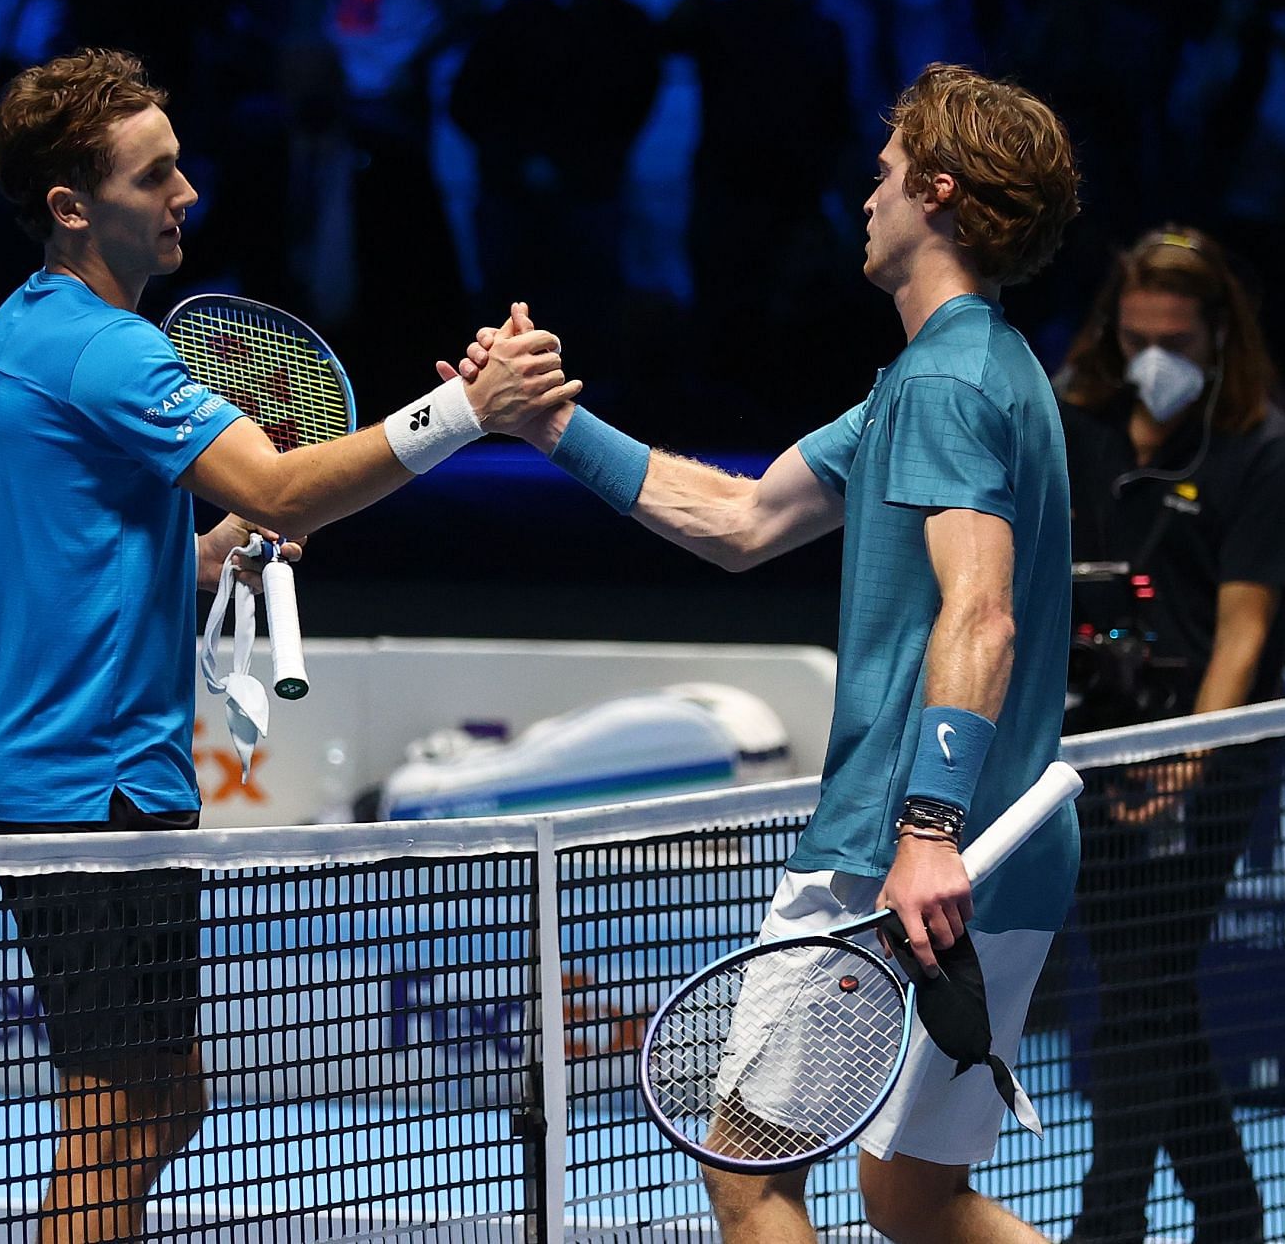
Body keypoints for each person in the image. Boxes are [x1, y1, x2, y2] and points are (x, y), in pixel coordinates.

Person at [0, 47, 575, 1243]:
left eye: (180, 165)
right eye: (157, 175)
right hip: (86, 796)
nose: (187, 194)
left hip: (84, 779)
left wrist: (210, 550)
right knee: (105, 1122)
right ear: (72, 207)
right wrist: (469, 412)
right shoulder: (114, 351)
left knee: (168, 1096)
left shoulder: (9, 337)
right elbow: (288, 487)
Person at [453, 62, 1080, 1244]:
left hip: (902, 860)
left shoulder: (947, 380)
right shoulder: (963, 373)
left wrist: (926, 831)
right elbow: (741, 521)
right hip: (1015, 852)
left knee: (749, 1176)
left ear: (937, 190)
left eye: (888, 171)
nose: (868, 193)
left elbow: (980, 612)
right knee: (913, 1197)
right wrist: (547, 424)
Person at [1053, 225, 1285, 1244]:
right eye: (1136, 328)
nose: (1151, 351)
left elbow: (1243, 632)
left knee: (1141, 986)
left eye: (1173, 334)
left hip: (1217, 752)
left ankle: (1107, 1224)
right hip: (1100, 741)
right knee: (1144, 983)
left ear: (1214, 333)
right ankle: (1231, 1215)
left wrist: (1191, 759)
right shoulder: (1083, 417)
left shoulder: (1260, 443)